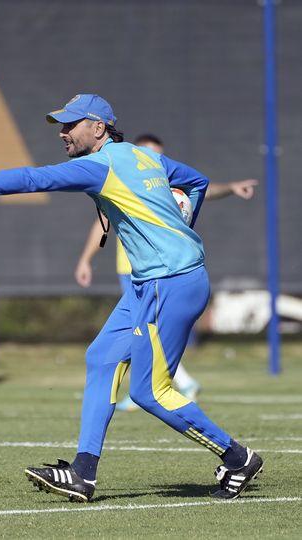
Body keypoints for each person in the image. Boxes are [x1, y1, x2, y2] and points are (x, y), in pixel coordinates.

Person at [0, 94, 263, 503]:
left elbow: (35, 179)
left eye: (71, 125)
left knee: (149, 393)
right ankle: (83, 474)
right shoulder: (144, 157)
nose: (63, 133)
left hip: (168, 283)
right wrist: (183, 226)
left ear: (98, 128)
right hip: (150, 283)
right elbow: (197, 182)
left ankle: (237, 457)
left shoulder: (100, 165)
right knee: (101, 358)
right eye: (61, 126)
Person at [74, 133, 258, 411]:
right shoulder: (124, 176)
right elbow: (103, 223)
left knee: (146, 335)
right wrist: (86, 259)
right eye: (149, 152)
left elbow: (199, 189)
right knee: (141, 336)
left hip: (158, 274)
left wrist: (230, 187)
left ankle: (170, 385)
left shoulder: (158, 178)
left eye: (159, 153)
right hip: (132, 271)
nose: (154, 158)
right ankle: (165, 385)